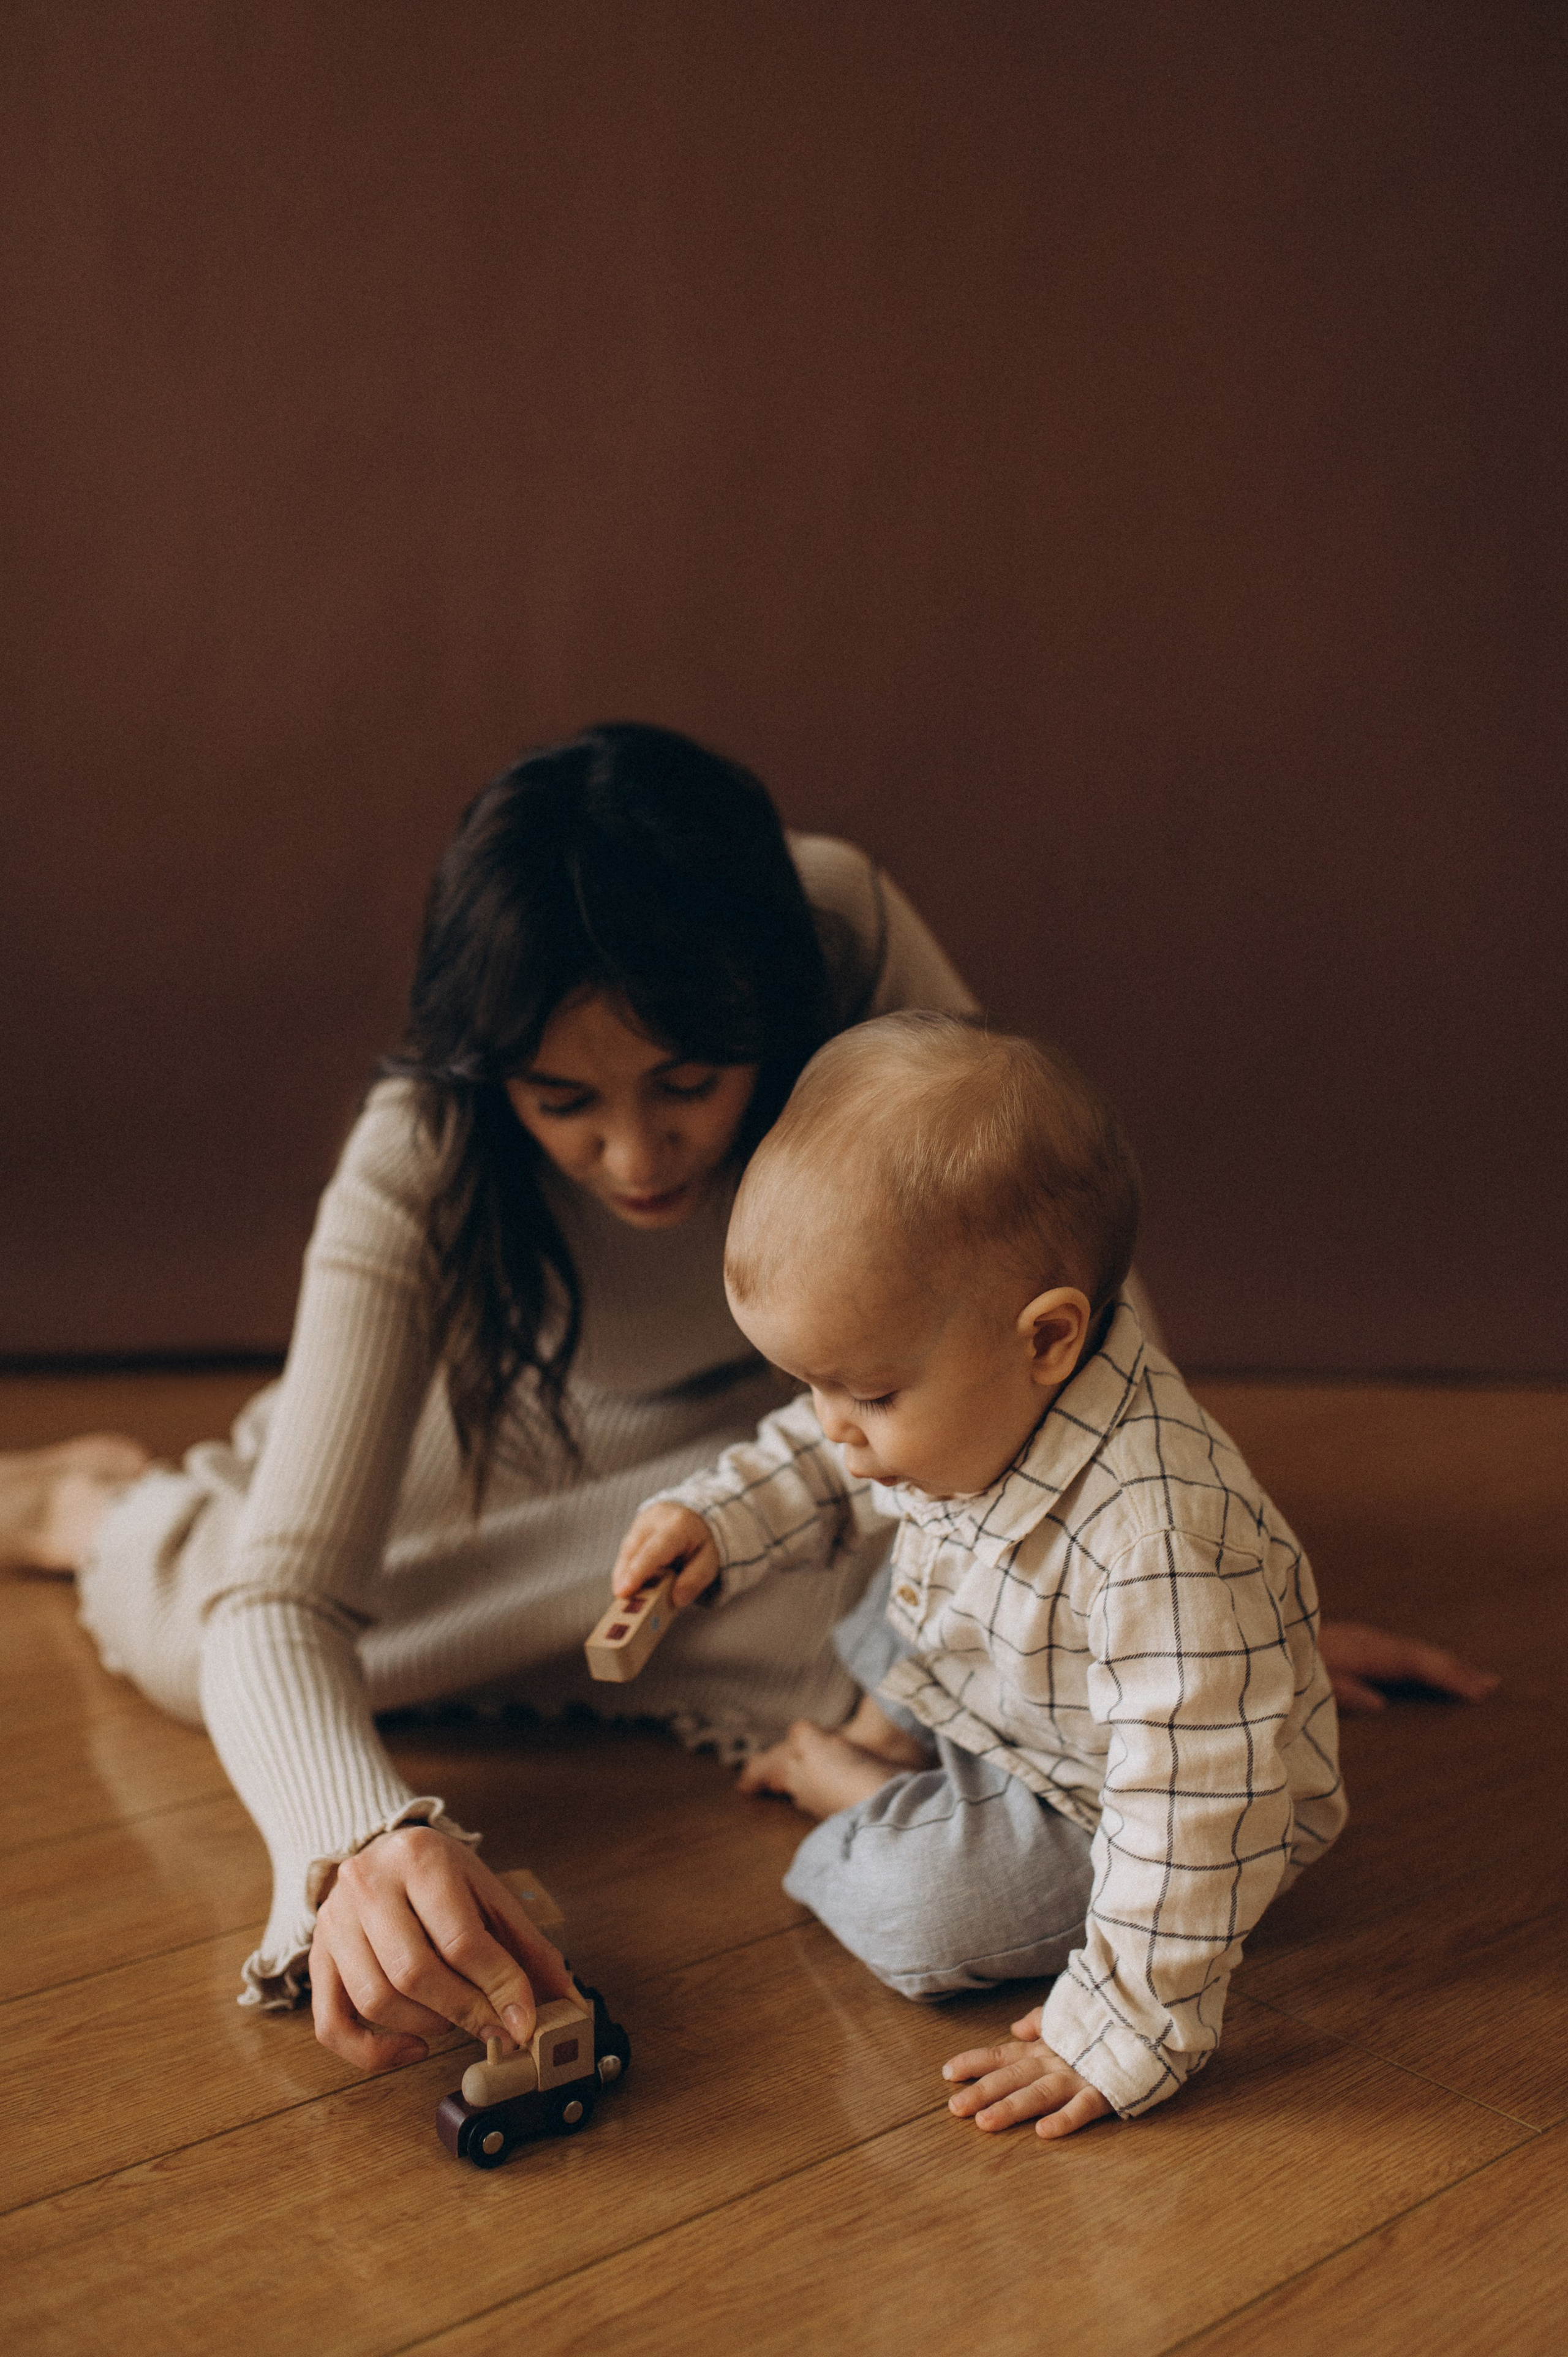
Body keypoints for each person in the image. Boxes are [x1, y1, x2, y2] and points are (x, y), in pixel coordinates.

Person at [1, 731, 1494, 2076]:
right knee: (241, 1647)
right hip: (541, 1415)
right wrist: (357, 1840)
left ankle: (858, 1667)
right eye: (561, 1103)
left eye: (690, 1082)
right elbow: (282, 1601)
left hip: (839, 1412)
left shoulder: (829, 925)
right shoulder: (428, 1132)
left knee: (924, 1582)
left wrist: (1207, 1592)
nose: (638, 1157)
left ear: (770, 1007)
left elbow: (1047, 1276)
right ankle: (103, 1506)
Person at [611, 1013, 1349, 2135]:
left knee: (922, 1911)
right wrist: (715, 1521)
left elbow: (1193, 1816)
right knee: (891, 1563)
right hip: (1011, 1667)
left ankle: (866, 1783)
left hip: (1121, 1804)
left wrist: (1122, 2030)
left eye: (869, 1392)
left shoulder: (1162, 1540)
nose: (835, 1426)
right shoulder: (975, 1386)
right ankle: (899, 1732)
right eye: (812, 1383)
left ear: (1047, 1338)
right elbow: (822, 1455)